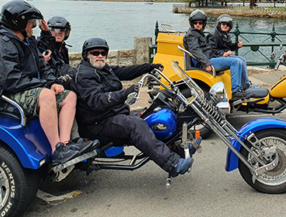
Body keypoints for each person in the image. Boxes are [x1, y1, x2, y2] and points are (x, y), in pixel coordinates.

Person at [0, 0, 94, 166]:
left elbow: (42, 66)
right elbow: (9, 78)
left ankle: (66, 145)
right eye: (31, 23)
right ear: (18, 23)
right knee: (46, 95)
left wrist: (52, 82)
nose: (33, 26)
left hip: (18, 89)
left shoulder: (28, 42)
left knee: (69, 96)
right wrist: (42, 87)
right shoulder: (1, 44)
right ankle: (57, 150)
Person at [71, 37, 196, 178]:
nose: (100, 56)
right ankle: (172, 164)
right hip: (97, 124)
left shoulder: (102, 69)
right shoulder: (84, 75)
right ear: (86, 55)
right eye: (95, 53)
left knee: (151, 117)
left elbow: (124, 71)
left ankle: (179, 149)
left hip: (113, 116)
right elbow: (96, 101)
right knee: (136, 125)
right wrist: (125, 93)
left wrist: (148, 67)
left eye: (103, 53)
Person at [183, 10, 248, 99]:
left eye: (200, 23)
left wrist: (234, 47)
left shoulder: (198, 33)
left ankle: (241, 88)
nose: (198, 24)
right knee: (235, 62)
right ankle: (236, 91)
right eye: (195, 23)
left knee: (239, 61)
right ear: (192, 23)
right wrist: (206, 63)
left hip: (210, 58)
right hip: (205, 62)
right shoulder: (192, 35)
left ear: (203, 24)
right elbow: (195, 50)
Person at [207, 14, 251, 88]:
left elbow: (229, 47)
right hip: (216, 57)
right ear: (219, 24)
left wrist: (237, 45)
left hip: (223, 56)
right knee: (237, 61)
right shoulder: (213, 35)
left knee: (242, 59)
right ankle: (239, 86)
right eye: (223, 24)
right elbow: (210, 50)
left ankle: (246, 83)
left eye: (227, 24)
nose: (225, 26)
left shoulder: (226, 34)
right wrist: (223, 53)